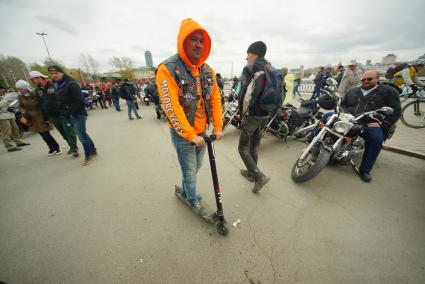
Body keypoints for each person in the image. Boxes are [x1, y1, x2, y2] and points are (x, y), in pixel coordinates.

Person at [156, 18, 223, 213]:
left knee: (196, 167)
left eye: (201, 41)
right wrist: (188, 134)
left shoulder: (207, 70)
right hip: (184, 134)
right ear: (183, 41)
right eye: (193, 39)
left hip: (202, 132)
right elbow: (171, 106)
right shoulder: (167, 68)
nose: (198, 44)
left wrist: (218, 127)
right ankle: (192, 199)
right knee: (189, 170)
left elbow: (215, 99)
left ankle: (187, 190)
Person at [311, 70, 401, 182]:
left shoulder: (389, 92)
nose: (366, 81)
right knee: (328, 116)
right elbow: (343, 105)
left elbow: (396, 111)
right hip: (349, 118)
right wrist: (343, 113)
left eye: (369, 79)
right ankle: (312, 140)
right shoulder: (353, 91)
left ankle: (365, 170)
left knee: (376, 139)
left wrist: (382, 123)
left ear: (377, 79)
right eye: (364, 79)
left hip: (368, 123)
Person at [237, 41, 272, 193]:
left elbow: (245, 94)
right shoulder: (271, 68)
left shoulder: (251, 68)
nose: (246, 58)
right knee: (254, 146)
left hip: (252, 114)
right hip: (266, 114)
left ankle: (259, 176)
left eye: (248, 54)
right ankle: (252, 173)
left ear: (255, 54)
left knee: (242, 147)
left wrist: (242, 113)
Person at [48, 65, 97, 166]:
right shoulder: (57, 85)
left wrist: (69, 112)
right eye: (52, 73)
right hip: (69, 115)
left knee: (81, 135)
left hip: (77, 114)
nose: (54, 75)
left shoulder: (71, 84)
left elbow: (80, 101)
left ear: (62, 73)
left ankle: (89, 155)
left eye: (56, 73)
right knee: (83, 134)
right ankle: (93, 150)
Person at [29, 70, 79, 157]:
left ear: (39, 78)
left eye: (33, 80)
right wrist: (45, 118)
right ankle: (72, 146)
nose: (32, 82)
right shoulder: (38, 90)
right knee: (63, 133)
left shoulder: (53, 85)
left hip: (62, 113)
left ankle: (74, 148)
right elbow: (41, 104)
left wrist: (67, 110)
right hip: (51, 115)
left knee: (69, 131)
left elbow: (62, 98)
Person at [16, 80, 61, 156]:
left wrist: (46, 116)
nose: (20, 91)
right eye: (19, 89)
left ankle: (56, 147)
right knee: (42, 134)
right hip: (31, 118)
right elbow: (21, 106)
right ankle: (51, 148)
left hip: (40, 116)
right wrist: (23, 111)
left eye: (21, 89)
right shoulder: (20, 97)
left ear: (26, 87)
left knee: (46, 134)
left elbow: (42, 103)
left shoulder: (35, 93)